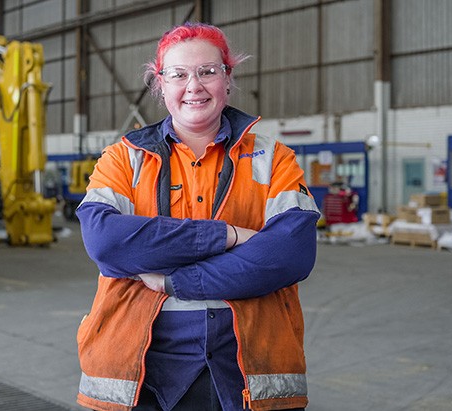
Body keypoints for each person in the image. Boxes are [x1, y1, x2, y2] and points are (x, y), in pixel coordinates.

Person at [75, 22, 320, 411]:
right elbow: (106, 243)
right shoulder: (123, 158)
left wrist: (175, 279)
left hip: (246, 362)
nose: (194, 86)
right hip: (136, 364)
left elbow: (291, 254)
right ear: (160, 84)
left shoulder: (274, 159)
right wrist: (228, 236)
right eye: (178, 74)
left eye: (208, 71)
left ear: (227, 78)